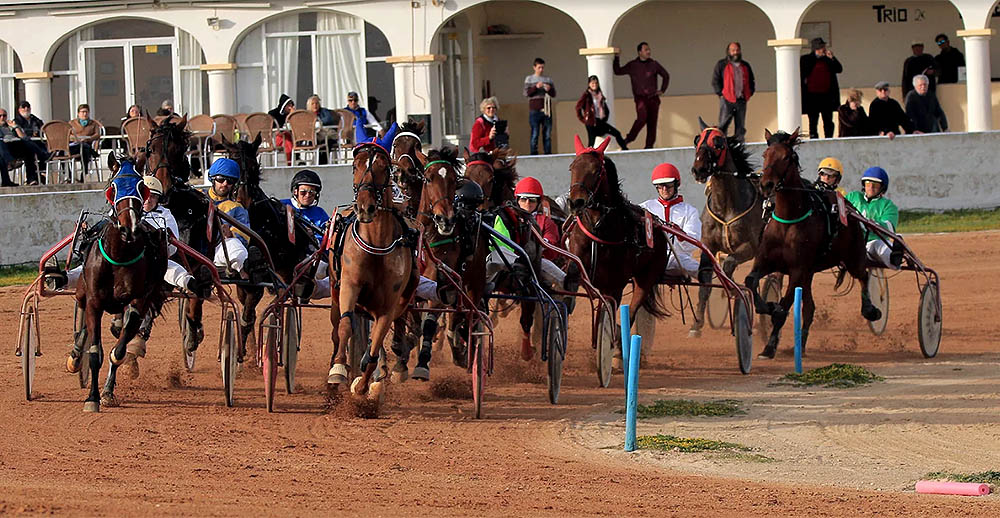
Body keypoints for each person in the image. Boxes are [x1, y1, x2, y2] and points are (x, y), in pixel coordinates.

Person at [490, 177, 577, 361]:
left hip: (534, 264)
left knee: (541, 263)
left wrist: (541, 244)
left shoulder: (545, 222)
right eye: (523, 199)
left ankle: (567, 283)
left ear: (538, 202)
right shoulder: (506, 217)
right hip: (506, 262)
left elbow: (551, 245)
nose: (527, 203)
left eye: (531, 200)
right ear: (517, 199)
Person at [637, 163, 701, 277]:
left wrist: (680, 234)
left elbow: (693, 244)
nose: (664, 189)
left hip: (678, 259)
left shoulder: (690, 211)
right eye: (660, 186)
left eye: (668, 185)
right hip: (649, 259)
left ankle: (727, 289)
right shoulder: (645, 208)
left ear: (677, 184)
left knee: (702, 271)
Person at [280, 169, 332, 300]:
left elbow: (325, 240)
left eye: (312, 193)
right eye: (303, 192)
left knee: (320, 270)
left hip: (311, 257)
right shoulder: (281, 206)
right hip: (284, 254)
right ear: (295, 191)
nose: (307, 195)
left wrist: (311, 236)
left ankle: (309, 289)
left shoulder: (320, 214)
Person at [206, 158, 259, 277]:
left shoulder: (237, 208)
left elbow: (243, 237)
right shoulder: (197, 197)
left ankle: (246, 268)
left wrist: (230, 234)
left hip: (219, 252)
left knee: (233, 244)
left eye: (229, 181)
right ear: (212, 179)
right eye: (221, 179)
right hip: (191, 249)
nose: (225, 184)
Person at [614, 42, 670, 149]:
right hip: (640, 98)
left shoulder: (654, 64)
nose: (648, 52)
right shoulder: (633, 65)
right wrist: (616, 57)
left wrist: (662, 90)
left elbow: (666, 76)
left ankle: (649, 147)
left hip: (653, 98)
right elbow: (618, 71)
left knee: (652, 124)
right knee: (642, 118)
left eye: (649, 49)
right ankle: (628, 139)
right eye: (646, 50)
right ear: (640, 52)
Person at [844, 166, 902, 269]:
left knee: (880, 246)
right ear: (863, 185)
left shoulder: (888, 205)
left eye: (875, 185)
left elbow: (890, 227)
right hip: (851, 242)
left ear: (882, 187)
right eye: (868, 184)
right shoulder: (853, 197)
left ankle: (894, 258)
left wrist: (873, 225)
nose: (870, 187)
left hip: (872, 243)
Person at [711, 42, 755, 142]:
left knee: (740, 126)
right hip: (727, 100)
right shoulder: (722, 65)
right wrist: (721, 94)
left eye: (737, 50)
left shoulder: (745, 65)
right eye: (733, 50)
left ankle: (740, 144)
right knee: (723, 124)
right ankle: (721, 145)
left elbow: (751, 80)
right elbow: (715, 80)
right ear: (728, 52)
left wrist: (750, 93)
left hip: (741, 99)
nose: (735, 52)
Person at [800, 38, 843, 139]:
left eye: (824, 47)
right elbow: (802, 74)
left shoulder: (828, 59)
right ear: (816, 49)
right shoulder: (806, 59)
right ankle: (814, 139)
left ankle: (829, 138)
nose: (824, 49)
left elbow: (839, 69)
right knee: (813, 121)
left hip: (827, 96)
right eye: (821, 47)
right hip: (812, 97)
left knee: (828, 121)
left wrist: (833, 58)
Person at [575, 75, 627, 149]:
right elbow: (578, 107)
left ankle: (625, 149)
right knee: (591, 141)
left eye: (596, 83)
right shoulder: (586, 95)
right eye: (592, 83)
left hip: (600, 121)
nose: (594, 85)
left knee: (617, 133)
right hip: (591, 122)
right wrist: (583, 119)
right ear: (589, 84)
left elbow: (605, 107)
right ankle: (588, 155)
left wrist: (605, 117)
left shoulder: (599, 94)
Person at [8, 102, 47, 184]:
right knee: (31, 152)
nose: (26, 109)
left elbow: (42, 131)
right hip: (22, 145)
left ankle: (39, 175)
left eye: (28, 107)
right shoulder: (16, 121)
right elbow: (20, 135)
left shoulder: (36, 120)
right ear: (19, 110)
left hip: (37, 142)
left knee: (43, 149)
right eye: (23, 107)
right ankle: (34, 177)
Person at [524, 57, 556, 155]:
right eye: (539, 67)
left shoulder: (548, 79)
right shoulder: (529, 79)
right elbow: (526, 93)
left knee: (547, 134)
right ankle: (533, 153)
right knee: (535, 133)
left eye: (542, 67)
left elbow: (553, 94)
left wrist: (548, 89)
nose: (541, 70)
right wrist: (536, 87)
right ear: (534, 67)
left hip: (546, 110)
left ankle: (548, 153)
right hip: (534, 110)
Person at [68, 104, 100, 178]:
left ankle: (84, 172)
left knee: (85, 149)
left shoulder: (93, 124)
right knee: (62, 152)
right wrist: (76, 138)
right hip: (74, 145)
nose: (84, 114)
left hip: (86, 144)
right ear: (78, 113)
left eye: (86, 112)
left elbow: (97, 134)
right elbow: (67, 135)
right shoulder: (72, 123)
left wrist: (88, 139)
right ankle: (70, 175)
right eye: (82, 112)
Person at [268, 93, 295, 164]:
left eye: (291, 105)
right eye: (289, 105)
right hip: (275, 137)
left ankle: (293, 161)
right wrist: (290, 116)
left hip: (291, 136)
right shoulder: (273, 113)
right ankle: (290, 163)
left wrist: (293, 115)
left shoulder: (293, 114)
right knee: (287, 142)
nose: (291, 107)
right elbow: (275, 126)